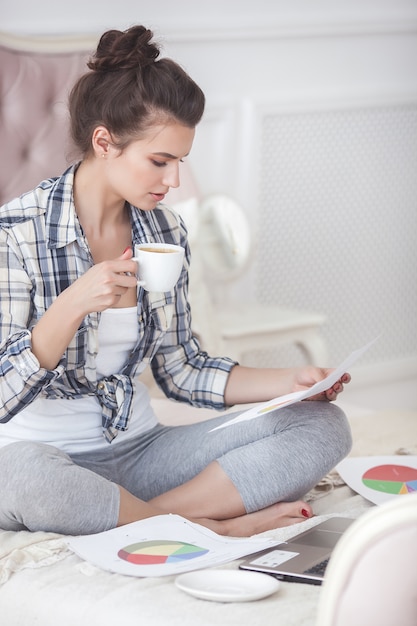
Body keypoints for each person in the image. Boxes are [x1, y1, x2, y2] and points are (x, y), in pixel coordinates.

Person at [0, 25, 352, 537]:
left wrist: (292, 383)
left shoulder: (164, 229)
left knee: (321, 427)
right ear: (105, 142)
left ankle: (156, 519)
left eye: (180, 162)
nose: (174, 182)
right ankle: (210, 526)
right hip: (50, 463)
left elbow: (182, 369)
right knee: (21, 479)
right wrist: (71, 305)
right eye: (159, 162)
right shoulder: (14, 235)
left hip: (146, 454)